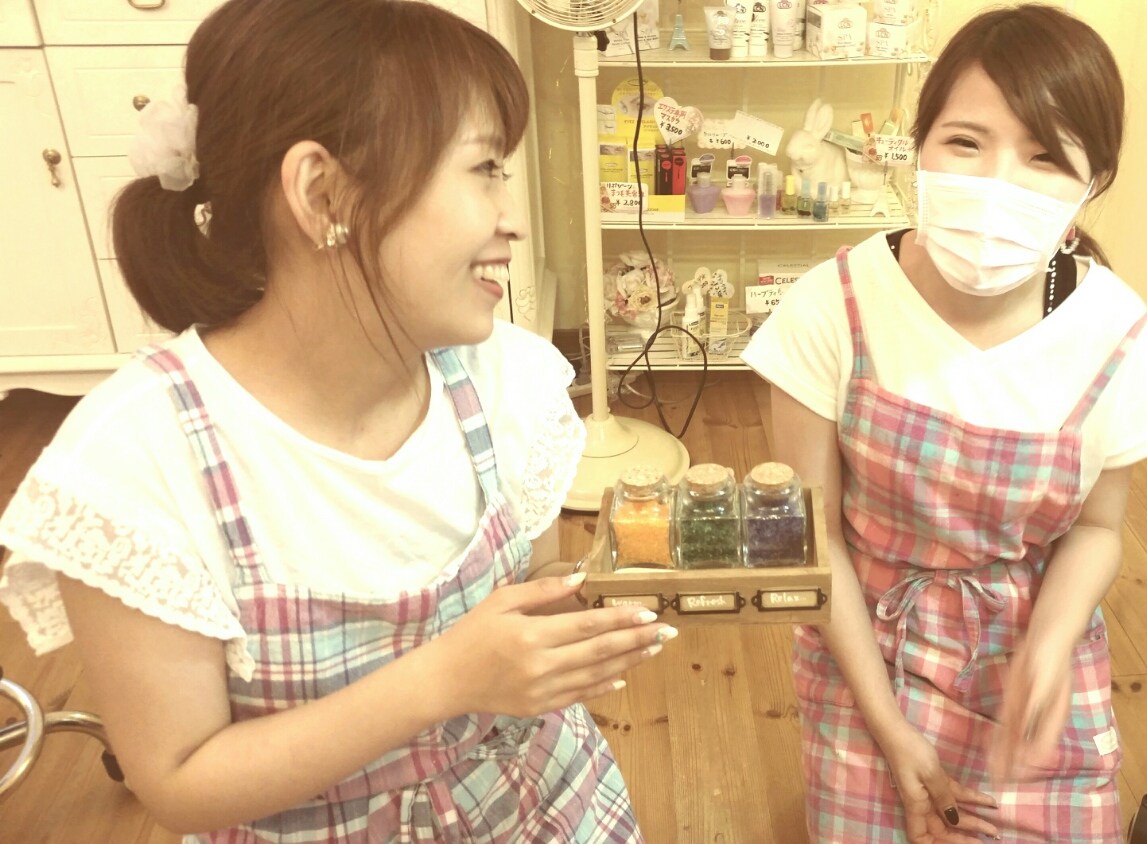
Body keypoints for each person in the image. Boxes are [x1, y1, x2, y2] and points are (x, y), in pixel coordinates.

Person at [0, 0, 671, 839]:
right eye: (484, 168)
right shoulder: (135, 461)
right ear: (323, 193)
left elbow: (530, 598)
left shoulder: (507, 379)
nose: (516, 220)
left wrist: (602, 610)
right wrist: (442, 680)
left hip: (543, 805)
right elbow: (176, 781)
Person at [741, 5, 1147, 842]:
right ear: (917, 146)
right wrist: (889, 726)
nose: (996, 185)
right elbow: (814, 537)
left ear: (1093, 181)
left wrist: (1049, 648)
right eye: (966, 142)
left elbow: (1098, 529)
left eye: (1044, 156)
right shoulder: (832, 308)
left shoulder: (1115, 337)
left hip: (1028, 656)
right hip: (865, 650)